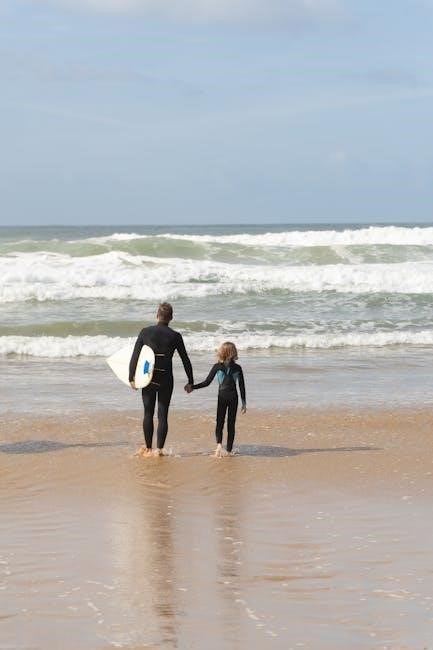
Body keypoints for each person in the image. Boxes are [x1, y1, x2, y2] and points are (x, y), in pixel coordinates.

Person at [129, 302, 193, 457]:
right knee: (163, 414)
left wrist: (131, 377)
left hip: (148, 378)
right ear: (171, 318)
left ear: (157, 315)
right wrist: (190, 381)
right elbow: (185, 359)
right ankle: (159, 450)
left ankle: (148, 448)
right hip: (166, 379)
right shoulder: (175, 336)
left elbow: (135, 356)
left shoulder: (145, 332)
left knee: (148, 413)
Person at [186, 341, 246, 457]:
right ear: (234, 352)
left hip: (222, 397)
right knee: (231, 424)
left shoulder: (217, 366)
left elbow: (206, 382)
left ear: (222, 352)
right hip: (233, 398)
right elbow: (241, 386)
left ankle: (219, 445)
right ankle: (229, 450)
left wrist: (192, 387)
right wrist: (244, 402)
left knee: (220, 422)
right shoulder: (238, 368)